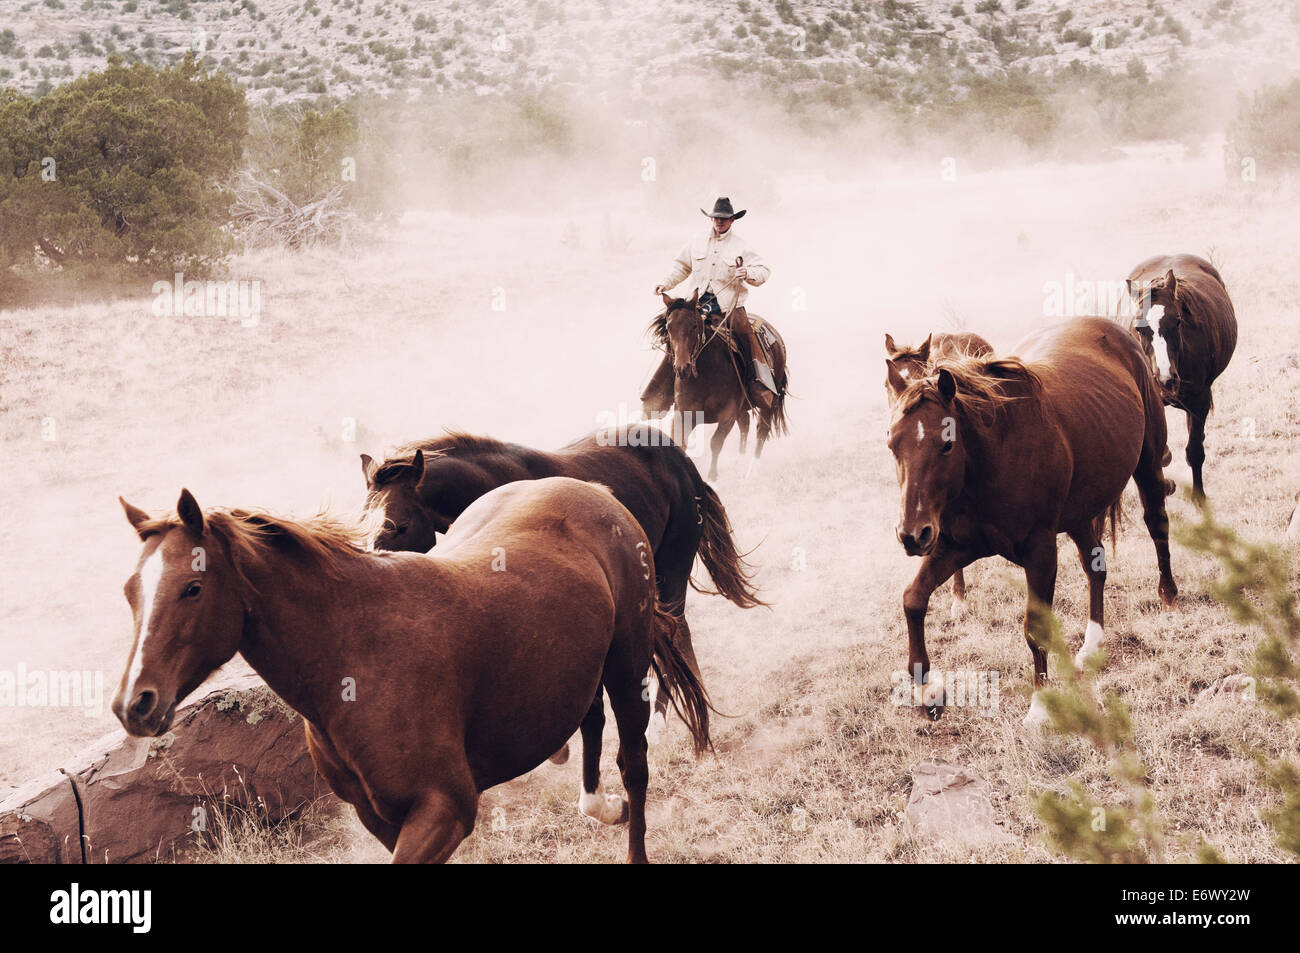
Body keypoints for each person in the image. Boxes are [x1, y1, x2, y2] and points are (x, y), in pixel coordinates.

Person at [643, 197, 776, 411]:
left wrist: (748, 273)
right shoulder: (697, 240)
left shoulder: (741, 246)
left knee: (746, 336)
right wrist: (665, 283)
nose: (719, 222)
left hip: (728, 307)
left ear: (732, 220)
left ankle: (758, 386)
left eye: (724, 219)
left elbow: (764, 271)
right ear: (711, 219)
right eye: (716, 218)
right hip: (695, 305)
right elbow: (681, 266)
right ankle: (658, 394)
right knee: (675, 335)